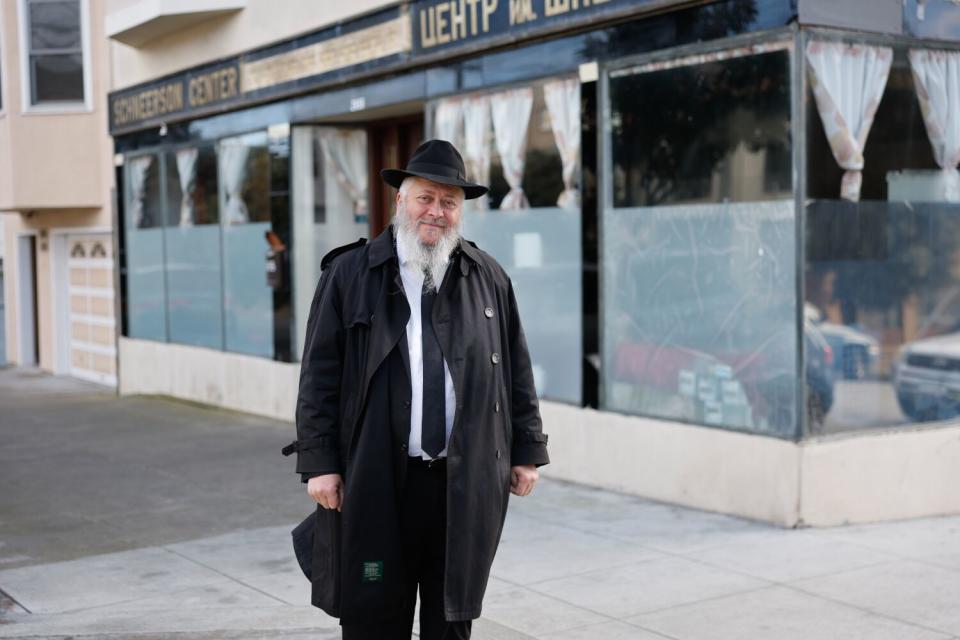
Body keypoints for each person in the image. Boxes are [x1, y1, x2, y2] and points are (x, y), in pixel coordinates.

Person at [292, 139, 550, 640]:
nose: (436, 212)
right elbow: (319, 375)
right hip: (376, 481)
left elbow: (515, 370)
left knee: (451, 619)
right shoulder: (350, 274)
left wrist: (527, 450)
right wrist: (320, 462)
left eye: (449, 203)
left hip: (461, 482)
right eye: (426, 198)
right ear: (400, 202)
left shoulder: (488, 277)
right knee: (372, 614)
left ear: (461, 212)